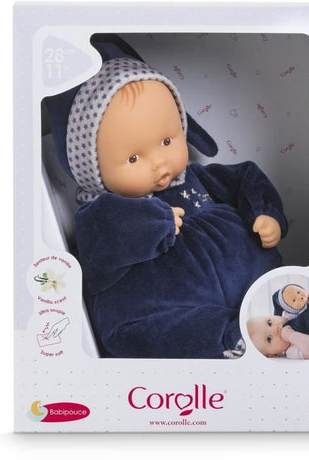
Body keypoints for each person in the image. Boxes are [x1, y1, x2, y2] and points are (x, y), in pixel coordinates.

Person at [61, 57, 288, 358]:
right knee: (144, 329)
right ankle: (229, 340)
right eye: (133, 158)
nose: (159, 163)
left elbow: (245, 177)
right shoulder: (100, 216)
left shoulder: (196, 177)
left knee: (272, 286)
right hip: (170, 308)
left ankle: (273, 321)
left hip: (253, 286)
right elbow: (97, 259)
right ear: (93, 169)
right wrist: (151, 223)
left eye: (167, 141)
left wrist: (265, 212)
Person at [247, 293, 309, 359]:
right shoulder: (291, 350)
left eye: (269, 323)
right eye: (269, 339)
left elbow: (304, 298)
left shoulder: (289, 312)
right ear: (275, 354)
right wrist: (291, 335)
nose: (274, 329)